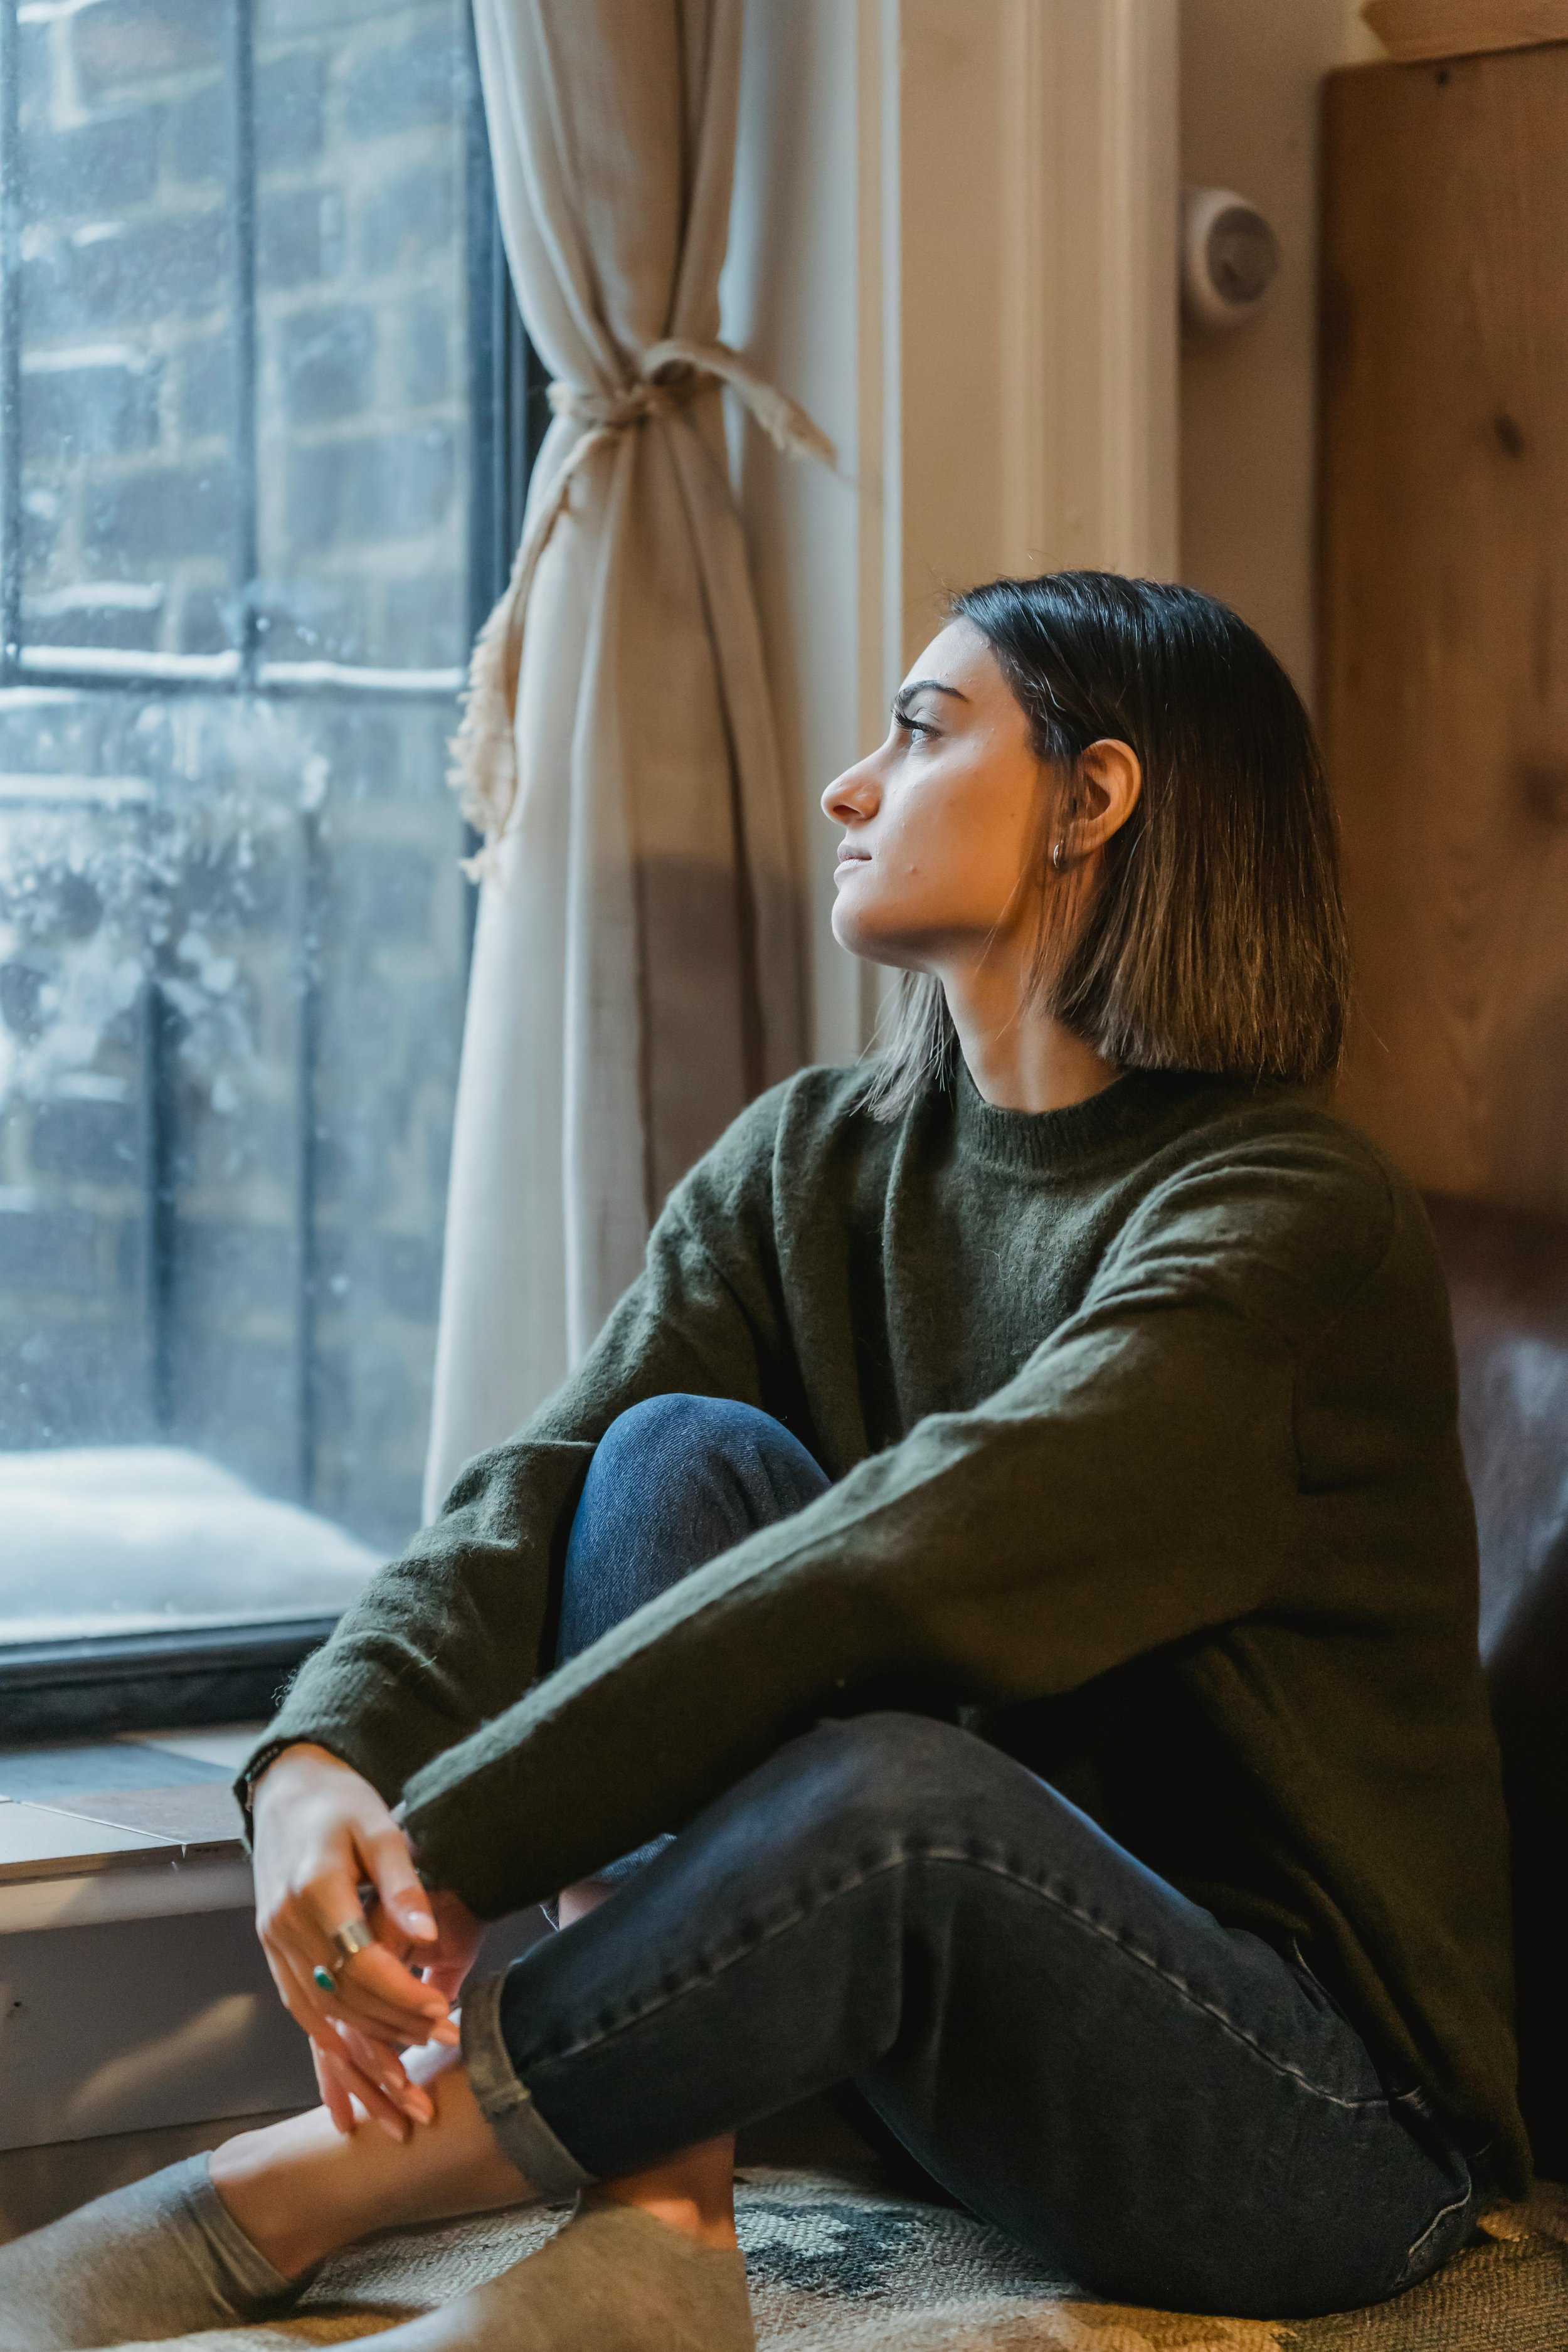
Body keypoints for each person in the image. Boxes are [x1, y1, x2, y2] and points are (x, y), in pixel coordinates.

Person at [0, 573, 1525, 2352]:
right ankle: (660, 2226)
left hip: (1319, 2124)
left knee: (895, 1786)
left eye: (921, 728)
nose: (846, 787)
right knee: (666, 1461)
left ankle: (275, 2193)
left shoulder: (1285, 1220)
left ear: (1093, 801)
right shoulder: (817, 1156)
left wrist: (457, 1842)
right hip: (966, 2032)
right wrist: (323, 1757)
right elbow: (551, 1478)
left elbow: (920, 1555)